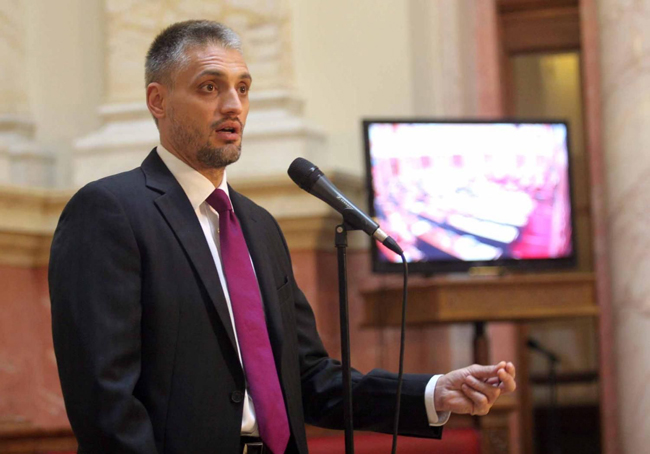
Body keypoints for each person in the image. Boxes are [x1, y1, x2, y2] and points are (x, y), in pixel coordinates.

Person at [49, 20, 516, 454]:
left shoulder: (258, 226)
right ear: (158, 100)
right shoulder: (110, 212)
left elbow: (308, 378)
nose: (233, 105)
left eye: (243, 88)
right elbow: (104, 400)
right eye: (210, 87)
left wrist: (433, 392)